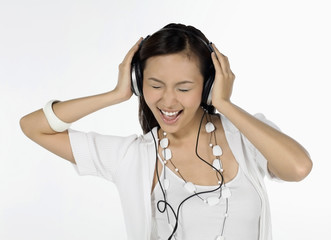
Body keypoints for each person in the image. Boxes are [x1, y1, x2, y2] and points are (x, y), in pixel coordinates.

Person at [20, 23, 312, 240]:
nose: (168, 101)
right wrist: (115, 94)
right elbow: (34, 127)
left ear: (208, 85)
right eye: (155, 85)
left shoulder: (246, 137)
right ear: (138, 83)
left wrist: (225, 103)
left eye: (184, 88)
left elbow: (298, 167)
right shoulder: (132, 157)